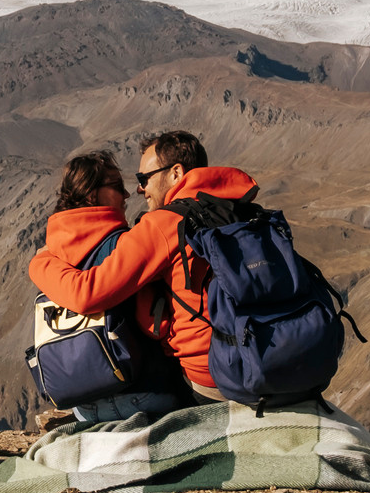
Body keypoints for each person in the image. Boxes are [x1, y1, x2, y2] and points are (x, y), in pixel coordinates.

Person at [28, 129, 260, 401]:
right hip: (269, 351)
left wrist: (39, 261)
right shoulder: (242, 210)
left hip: (213, 373)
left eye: (144, 179)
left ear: (176, 173)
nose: (137, 190)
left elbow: (87, 293)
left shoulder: (162, 225)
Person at [29, 149, 193, 424]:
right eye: (118, 187)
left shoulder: (51, 255)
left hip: (83, 406)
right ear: (92, 194)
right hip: (144, 393)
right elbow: (159, 324)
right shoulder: (128, 244)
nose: (128, 195)